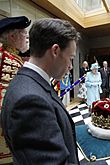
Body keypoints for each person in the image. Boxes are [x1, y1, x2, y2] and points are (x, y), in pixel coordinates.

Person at [1, 18, 110, 164]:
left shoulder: (28, 82)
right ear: (55, 51)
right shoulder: (30, 101)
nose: (70, 66)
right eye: (71, 58)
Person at [0, 16, 31, 163]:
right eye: (24, 33)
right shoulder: (4, 56)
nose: (27, 37)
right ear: (12, 36)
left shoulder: (14, 57)